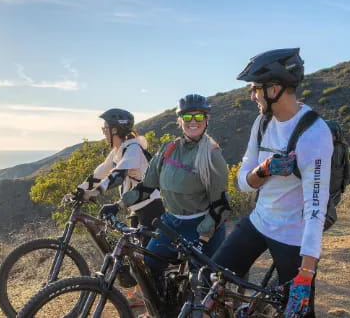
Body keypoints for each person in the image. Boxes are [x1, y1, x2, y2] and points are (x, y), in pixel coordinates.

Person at [211, 48, 333, 318]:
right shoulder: (262, 122)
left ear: (275, 88)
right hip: (260, 221)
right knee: (210, 280)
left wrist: (307, 272)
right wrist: (264, 170)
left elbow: (316, 206)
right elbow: (243, 182)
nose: (252, 95)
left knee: (298, 312)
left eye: (255, 88)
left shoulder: (314, 134)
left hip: (293, 235)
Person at [119, 94, 230, 315]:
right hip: (172, 222)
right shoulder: (169, 149)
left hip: (202, 225)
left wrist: (203, 239)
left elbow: (221, 206)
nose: (193, 121)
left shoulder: (212, 155)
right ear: (179, 120)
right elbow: (146, 188)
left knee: (201, 291)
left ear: (207, 118)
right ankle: (162, 309)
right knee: (149, 267)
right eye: (187, 116)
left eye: (198, 115)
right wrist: (119, 204)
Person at [64, 108, 165, 239]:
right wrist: (78, 191)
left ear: (115, 130)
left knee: (148, 256)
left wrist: (95, 192)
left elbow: (118, 174)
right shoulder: (118, 151)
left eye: (105, 128)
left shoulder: (133, 149)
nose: (103, 132)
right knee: (134, 253)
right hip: (136, 209)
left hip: (151, 210)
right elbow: (98, 174)